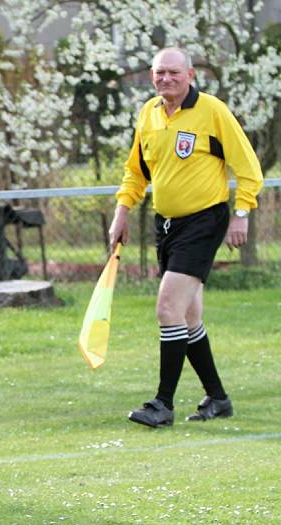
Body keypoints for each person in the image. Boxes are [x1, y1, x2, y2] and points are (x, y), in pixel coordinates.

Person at [109, 47, 263, 428]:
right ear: (151, 75)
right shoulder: (149, 113)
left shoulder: (213, 111)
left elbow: (249, 169)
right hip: (166, 225)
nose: (166, 79)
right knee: (189, 317)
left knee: (167, 309)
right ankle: (219, 399)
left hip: (205, 221)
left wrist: (241, 214)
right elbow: (136, 171)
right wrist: (122, 211)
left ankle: (163, 404)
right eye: (160, 72)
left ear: (190, 75)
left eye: (174, 72)